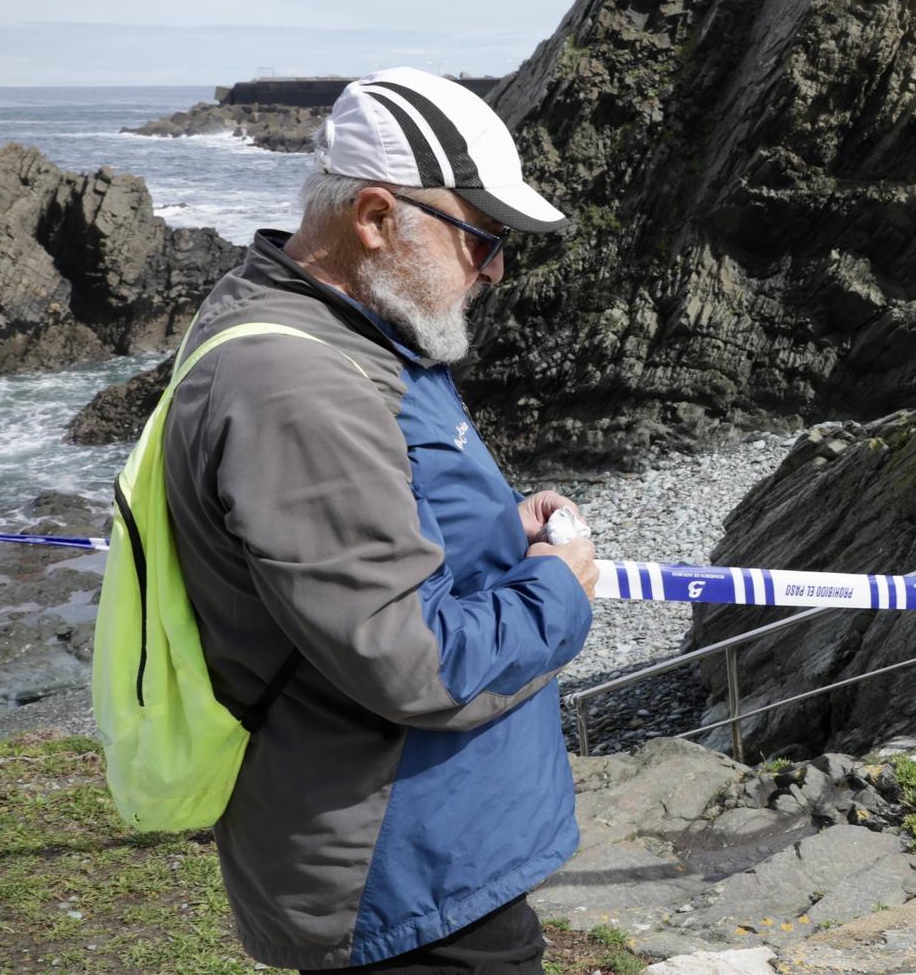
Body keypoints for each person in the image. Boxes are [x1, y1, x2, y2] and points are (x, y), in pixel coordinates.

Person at [161, 67, 597, 971]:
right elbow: (410, 660)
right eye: (480, 235)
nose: (496, 265)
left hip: (437, 845)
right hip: (398, 879)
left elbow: (369, 536)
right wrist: (561, 588)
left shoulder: (362, 328)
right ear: (374, 217)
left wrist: (494, 531)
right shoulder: (299, 384)